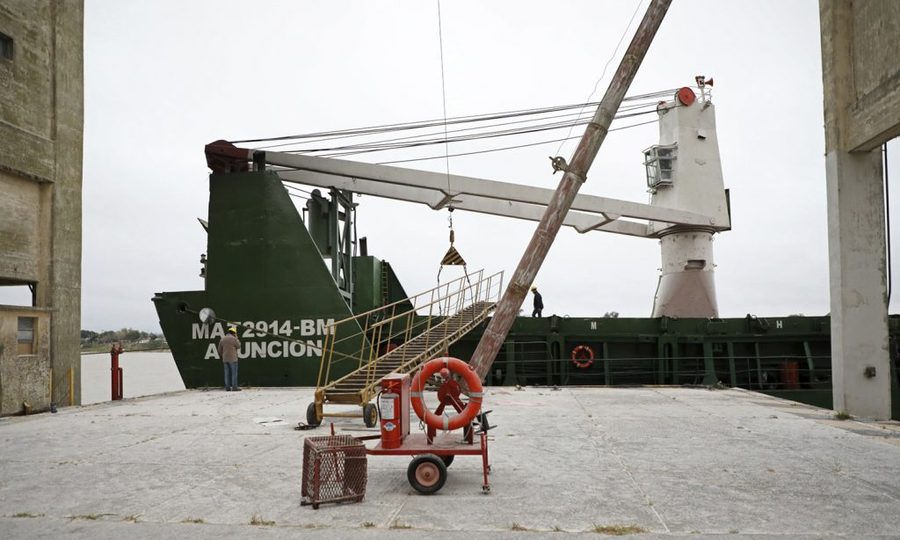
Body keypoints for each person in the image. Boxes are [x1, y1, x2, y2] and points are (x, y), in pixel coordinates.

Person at [218, 326, 241, 391]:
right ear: (234, 333)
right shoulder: (234, 339)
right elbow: (239, 346)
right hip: (233, 358)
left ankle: (227, 387)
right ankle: (234, 387)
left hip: (225, 359)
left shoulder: (222, 339)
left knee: (226, 373)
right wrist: (237, 338)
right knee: (234, 373)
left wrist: (223, 355)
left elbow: (219, 350)